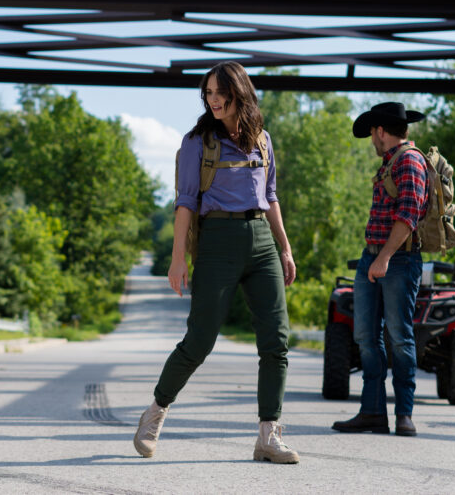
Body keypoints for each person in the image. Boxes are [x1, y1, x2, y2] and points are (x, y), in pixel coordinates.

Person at [133, 61, 299, 464]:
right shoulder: (197, 142)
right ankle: (154, 413)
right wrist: (177, 259)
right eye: (207, 93)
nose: (213, 100)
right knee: (199, 340)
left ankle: (268, 435)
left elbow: (271, 195)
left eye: (219, 92)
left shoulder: (262, 140)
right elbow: (185, 202)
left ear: (238, 92)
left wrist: (285, 247)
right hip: (218, 242)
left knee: (276, 341)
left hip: (261, 240)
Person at [333, 101, 429, 438]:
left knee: (400, 338)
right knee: (366, 338)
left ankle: (404, 414)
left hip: (397, 260)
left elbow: (409, 215)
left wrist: (384, 257)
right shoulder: (390, 162)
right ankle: (372, 412)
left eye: (373, 133)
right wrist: (374, 259)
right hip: (372, 257)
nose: (372, 140)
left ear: (381, 131)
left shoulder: (410, 161)